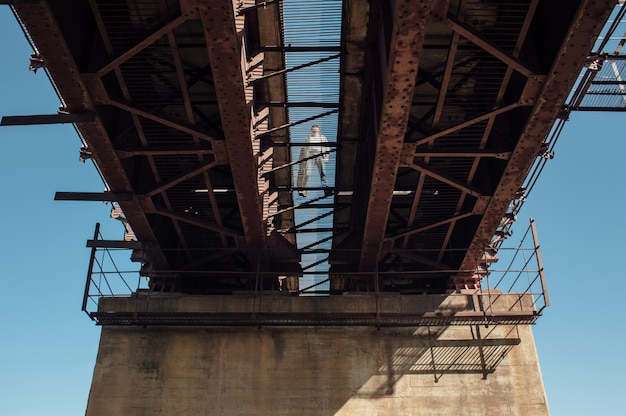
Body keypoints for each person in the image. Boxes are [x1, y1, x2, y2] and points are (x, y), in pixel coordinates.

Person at [296, 125, 329, 197]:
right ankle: (304, 190)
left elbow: (327, 148)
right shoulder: (308, 138)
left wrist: (326, 157)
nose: (315, 129)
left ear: (319, 129)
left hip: (320, 155)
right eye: (313, 128)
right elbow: (304, 149)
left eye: (316, 127)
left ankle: (326, 189)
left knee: (323, 173)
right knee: (307, 173)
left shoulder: (322, 137)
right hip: (310, 156)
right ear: (311, 130)